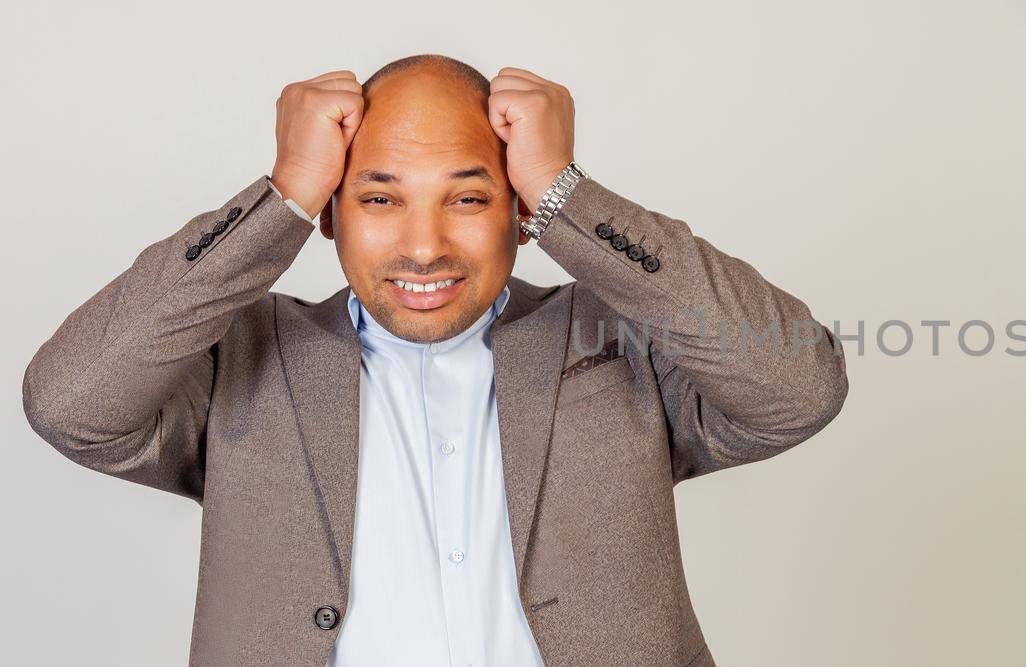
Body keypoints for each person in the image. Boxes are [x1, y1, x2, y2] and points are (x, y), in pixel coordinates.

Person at [20, 54, 848, 666]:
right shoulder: (240, 359)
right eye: (379, 198)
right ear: (330, 215)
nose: (424, 245)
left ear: (519, 214)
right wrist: (279, 197)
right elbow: (69, 400)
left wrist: (568, 192)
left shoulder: (616, 338)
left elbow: (799, 384)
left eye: (468, 197)